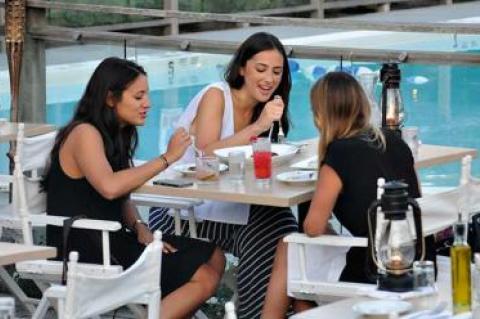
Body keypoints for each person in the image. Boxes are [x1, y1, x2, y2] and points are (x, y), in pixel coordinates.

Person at [43, 57, 225, 319]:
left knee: (214, 256)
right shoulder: (85, 133)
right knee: (205, 278)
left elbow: (122, 196)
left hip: (115, 237)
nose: (147, 103)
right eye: (138, 96)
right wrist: (167, 158)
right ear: (110, 98)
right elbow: (110, 187)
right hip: (87, 244)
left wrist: (141, 227)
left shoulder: (116, 133)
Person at [148, 32, 298, 319]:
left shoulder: (262, 111)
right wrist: (259, 126)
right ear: (242, 67)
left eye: (277, 72)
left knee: (286, 228)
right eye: (261, 69)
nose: (269, 79)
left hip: (225, 205)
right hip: (181, 208)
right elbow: (207, 153)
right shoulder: (217, 95)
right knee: (266, 235)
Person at [262, 71, 436, 317]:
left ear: (321, 115)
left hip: (372, 268)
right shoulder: (395, 142)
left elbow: (312, 227)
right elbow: (415, 199)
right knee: (302, 299)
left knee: (288, 247)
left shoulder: (339, 154)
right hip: (416, 260)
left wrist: (328, 231)